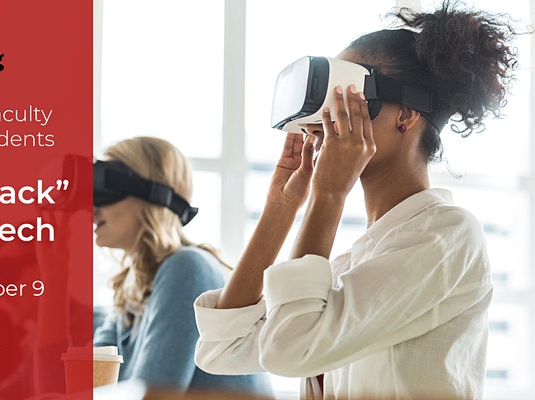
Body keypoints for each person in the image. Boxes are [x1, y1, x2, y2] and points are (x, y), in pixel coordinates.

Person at [193, 2, 522, 399]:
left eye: (347, 105)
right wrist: (280, 210)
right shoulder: (357, 258)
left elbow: (292, 349)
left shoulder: (446, 234)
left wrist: (329, 195)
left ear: (405, 115)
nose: (326, 123)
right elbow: (221, 350)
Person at [92, 136, 271, 395]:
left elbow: (152, 393)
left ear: (150, 195)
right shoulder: (134, 289)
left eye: (104, 185)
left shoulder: (186, 268)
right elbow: (87, 385)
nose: (92, 207)